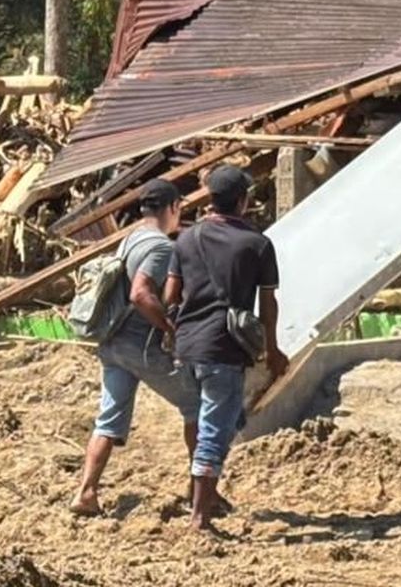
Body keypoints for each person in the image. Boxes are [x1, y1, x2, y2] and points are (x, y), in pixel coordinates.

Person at [70, 179, 209, 517]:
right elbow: (140, 293)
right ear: (173, 207)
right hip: (139, 345)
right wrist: (170, 328)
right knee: (196, 405)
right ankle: (197, 489)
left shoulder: (131, 238)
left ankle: (86, 492)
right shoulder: (162, 247)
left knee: (108, 420)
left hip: (112, 342)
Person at [165, 164, 284, 531]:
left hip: (186, 348)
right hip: (224, 348)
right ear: (243, 201)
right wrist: (272, 348)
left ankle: (206, 497)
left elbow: (170, 294)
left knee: (221, 421)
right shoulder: (257, 244)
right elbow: (268, 304)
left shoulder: (185, 239)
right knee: (216, 430)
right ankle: (200, 517)